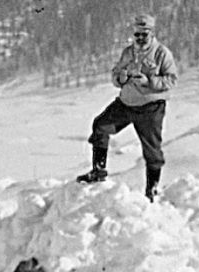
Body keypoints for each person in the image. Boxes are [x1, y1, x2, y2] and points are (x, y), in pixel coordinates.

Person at [76, 13, 178, 202]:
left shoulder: (162, 53)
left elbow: (171, 80)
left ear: (151, 33)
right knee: (100, 126)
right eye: (137, 35)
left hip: (150, 107)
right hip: (125, 103)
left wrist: (149, 81)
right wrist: (119, 79)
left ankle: (152, 189)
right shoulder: (128, 52)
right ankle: (98, 170)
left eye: (143, 35)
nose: (139, 39)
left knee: (152, 150)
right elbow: (116, 73)